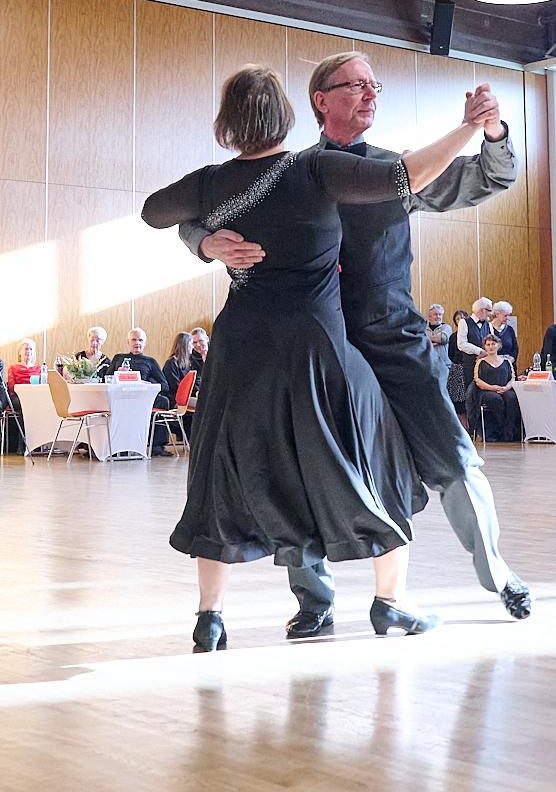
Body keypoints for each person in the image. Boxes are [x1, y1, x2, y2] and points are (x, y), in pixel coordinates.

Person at [142, 63, 499, 650]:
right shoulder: (316, 168)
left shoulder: (211, 183)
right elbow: (403, 178)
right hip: (315, 347)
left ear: (227, 124)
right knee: (384, 458)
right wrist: (466, 127)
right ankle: (390, 602)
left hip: (238, 351)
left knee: (220, 475)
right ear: (291, 113)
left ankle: (210, 616)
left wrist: (208, 239)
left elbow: (154, 210)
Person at [106, 329, 172, 456]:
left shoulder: (150, 362)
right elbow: (106, 380)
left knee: (164, 401)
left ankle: (157, 446)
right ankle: (117, 446)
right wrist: (117, 373)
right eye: (134, 340)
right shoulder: (118, 358)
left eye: (140, 340)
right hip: (121, 398)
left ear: (145, 343)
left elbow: (164, 386)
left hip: (142, 399)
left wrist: (146, 384)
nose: (137, 343)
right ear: (128, 342)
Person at [470, 334, 520, 442]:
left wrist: (506, 388)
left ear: (499, 345)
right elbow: (477, 380)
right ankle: (502, 429)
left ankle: (510, 429)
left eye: (493, 344)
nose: (491, 346)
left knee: (512, 398)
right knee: (495, 399)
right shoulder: (480, 362)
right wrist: (492, 387)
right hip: (487, 391)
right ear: (484, 347)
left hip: (504, 389)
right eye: (488, 345)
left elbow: (512, 378)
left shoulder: (506, 361)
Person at [6, 339, 41, 454]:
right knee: (24, 407)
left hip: (34, 398)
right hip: (18, 398)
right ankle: (23, 445)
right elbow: (12, 387)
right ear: (20, 352)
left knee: (39, 406)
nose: (28, 351)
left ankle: (38, 443)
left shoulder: (38, 369)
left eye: (31, 349)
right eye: (26, 348)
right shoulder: (13, 368)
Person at [457, 298, 493, 391]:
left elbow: (493, 342)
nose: (490, 313)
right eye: (489, 310)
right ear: (482, 310)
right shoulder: (464, 322)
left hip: (486, 364)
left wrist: (486, 353)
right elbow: (461, 344)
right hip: (470, 365)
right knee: (471, 393)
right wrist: (480, 351)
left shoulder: (489, 325)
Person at [446, 309, 468, 418]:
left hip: (468, 368)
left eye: (462, 318)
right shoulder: (453, 336)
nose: (460, 321)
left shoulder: (470, 334)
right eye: (457, 319)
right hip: (457, 369)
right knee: (457, 401)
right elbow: (450, 354)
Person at [490, 301, 519, 367]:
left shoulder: (509, 329)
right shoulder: (487, 328)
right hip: (492, 366)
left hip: (509, 365)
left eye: (509, 315)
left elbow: (515, 348)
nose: (508, 318)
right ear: (497, 314)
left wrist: (511, 359)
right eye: (505, 315)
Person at [426, 304, 452, 370]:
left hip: (444, 365)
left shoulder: (447, 327)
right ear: (429, 317)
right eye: (435, 314)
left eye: (440, 314)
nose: (438, 317)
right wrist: (436, 340)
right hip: (428, 365)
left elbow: (443, 338)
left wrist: (426, 339)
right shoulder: (423, 328)